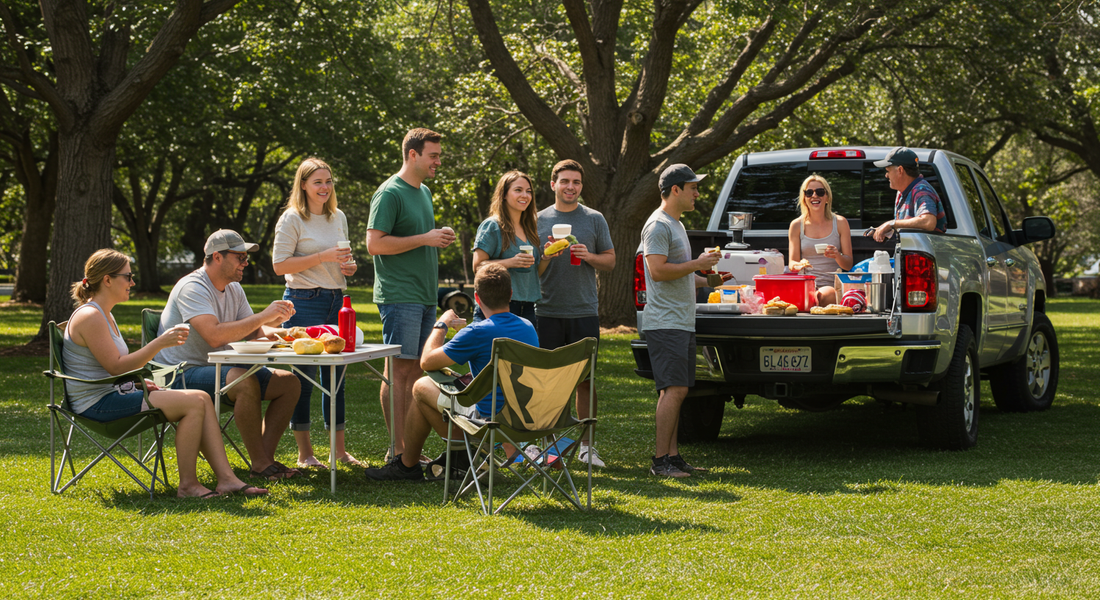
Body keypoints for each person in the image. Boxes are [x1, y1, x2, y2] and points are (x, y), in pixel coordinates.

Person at [64, 249, 267, 498]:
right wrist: (159, 343)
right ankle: (188, 485)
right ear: (107, 280)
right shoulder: (90, 316)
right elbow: (115, 367)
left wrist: (139, 384)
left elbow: (109, 368)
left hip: (115, 394)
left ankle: (227, 480)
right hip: (96, 405)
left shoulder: (104, 314)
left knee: (202, 398)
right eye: (127, 277)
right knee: (194, 402)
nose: (132, 282)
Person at [363, 263, 539, 481]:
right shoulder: (528, 327)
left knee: (421, 386)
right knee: (428, 395)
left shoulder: (477, 332)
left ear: (477, 298)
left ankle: (430, 462)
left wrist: (441, 324)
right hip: (524, 417)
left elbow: (426, 362)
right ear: (510, 294)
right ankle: (413, 464)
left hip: (488, 422)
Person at [157, 229, 303, 482]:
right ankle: (260, 464)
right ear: (217, 257)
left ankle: (264, 461)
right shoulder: (193, 287)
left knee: (289, 383)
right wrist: (263, 316)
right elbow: (214, 336)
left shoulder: (234, 288)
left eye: (246, 258)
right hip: (181, 373)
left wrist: (285, 329)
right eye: (240, 257)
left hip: (219, 368)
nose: (246, 263)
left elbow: (253, 331)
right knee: (244, 381)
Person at [366, 127, 454, 461]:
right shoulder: (389, 193)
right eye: (433, 155)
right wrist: (425, 238)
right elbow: (374, 244)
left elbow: (417, 238)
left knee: (417, 372)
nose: (438, 162)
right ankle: (398, 451)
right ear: (413, 154)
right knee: (399, 372)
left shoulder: (424, 192)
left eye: (439, 156)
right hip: (399, 295)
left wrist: (435, 237)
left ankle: (410, 453)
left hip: (424, 295)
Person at [272, 157, 361, 470]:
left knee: (336, 379)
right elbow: (279, 265)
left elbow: (341, 260)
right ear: (304, 185)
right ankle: (305, 454)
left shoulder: (338, 217)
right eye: (318, 182)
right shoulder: (292, 219)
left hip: (337, 301)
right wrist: (323, 256)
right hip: (303, 300)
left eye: (328, 181)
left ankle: (339, 451)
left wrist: (348, 267)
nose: (325, 187)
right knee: (303, 380)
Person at [536, 159, 615, 468]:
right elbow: (533, 270)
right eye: (565, 181)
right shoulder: (537, 219)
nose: (571, 187)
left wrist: (589, 256)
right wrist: (546, 255)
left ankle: (586, 447)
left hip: (583, 311)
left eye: (576, 182)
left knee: (585, 381)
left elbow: (610, 261)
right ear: (553, 184)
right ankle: (551, 445)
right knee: (549, 382)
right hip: (546, 310)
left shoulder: (594, 219)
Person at [640, 164, 718, 478]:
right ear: (675, 189)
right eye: (693, 187)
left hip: (680, 321)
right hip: (665, 322)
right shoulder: (658, 225)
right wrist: (697, 263)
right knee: (673, 390)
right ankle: (660, 462)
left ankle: (673, 456)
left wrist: (708, 280)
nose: (697, 193)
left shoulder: (676, 224)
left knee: (677, 390)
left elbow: (678, 274)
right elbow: (657, 271)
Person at [471, 170, 541, 323]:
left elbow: (535, 272)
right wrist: (510, 262)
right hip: (497, 307)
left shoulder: (530, 229)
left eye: (528, 191)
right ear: (503, 194)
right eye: (518, 190)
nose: (525, 195)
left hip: (528, 307)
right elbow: (478, 267)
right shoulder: (492, 226)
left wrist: (547, 257)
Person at [787, 174, 853, 305]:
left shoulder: (840, 222)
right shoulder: (796, 225)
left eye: (820, 192)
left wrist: (837, 255)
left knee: (822, 296)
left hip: (831, 286)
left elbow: (848, 264)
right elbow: (792, 263)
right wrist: (799, 265)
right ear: (804, 198)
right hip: (805, 284)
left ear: (827, 197)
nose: (814, 196)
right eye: (809, 193)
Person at [869, 146, 947, 242]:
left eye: (888, 171)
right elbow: (908, 229)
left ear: (900, 170)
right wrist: (882, 230)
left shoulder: (921, 191)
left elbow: (928, 222)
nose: (886, 175)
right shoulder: (902, 191)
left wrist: (891, 224)